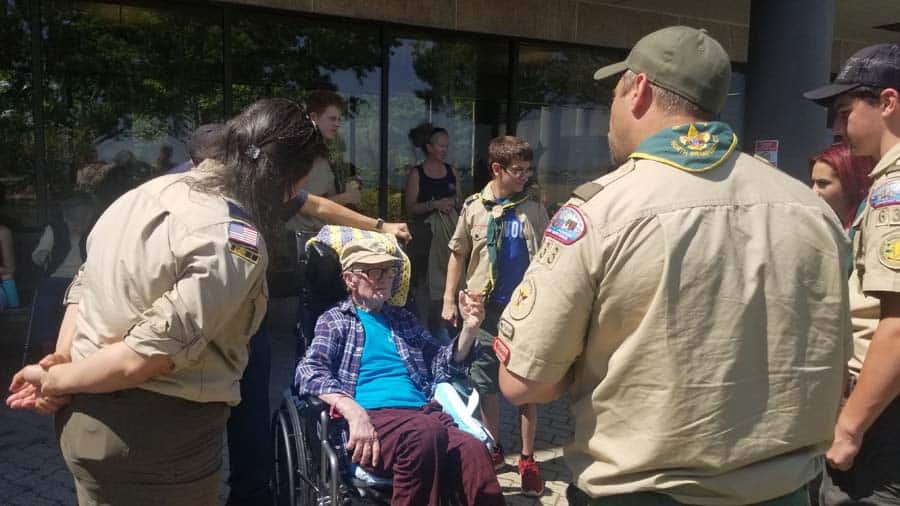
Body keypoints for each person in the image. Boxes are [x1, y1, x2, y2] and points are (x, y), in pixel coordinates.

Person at [495, 26, 850, 506]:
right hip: (786, 491)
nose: (610, 114)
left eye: (614, 94)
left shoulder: (601, 211)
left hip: (642, 493)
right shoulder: (811, 210)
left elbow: (523, 382)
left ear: (637, 89)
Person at [6, 97, 323, 506]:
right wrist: (52, 379)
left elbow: (85, 284)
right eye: (302, 180)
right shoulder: (232, 239)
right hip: (153, 439)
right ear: (284, 178)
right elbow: (144, 356)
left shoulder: (140, 195)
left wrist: (64, 360)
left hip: (87, 424)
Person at [295, 234, 505, 506]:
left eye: (390, 271)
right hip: (375, 418)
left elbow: (441, 363)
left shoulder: (403, 320)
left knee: (473, 451)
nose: (384, 278)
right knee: (425, 434)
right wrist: (351, 409)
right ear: (350, 279)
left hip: (424, 415)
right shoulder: (335, 321)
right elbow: (308, 371)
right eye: (373, 271)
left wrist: (470, 327)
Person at [803, 42, 900, 506]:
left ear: (888, 103)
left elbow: (897, 326)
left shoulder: (893, 192)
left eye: (845, 111)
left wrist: (849, 427)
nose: (838, 128)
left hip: (882, 411)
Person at [441, 135, 548, 496]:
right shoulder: (474, 207)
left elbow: (550, 256)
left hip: (525, 311)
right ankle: (494, 447)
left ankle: (528, 459)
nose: (525, 177)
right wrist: (448, 300)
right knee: (486, 383)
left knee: (523, 384)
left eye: (529, 170)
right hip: (482, 311)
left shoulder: (532, 206)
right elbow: (458, 252)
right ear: (497, 169)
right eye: (518, 170)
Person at [405, 123, 461, 337]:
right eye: (440, 145)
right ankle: (424, 326)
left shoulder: (451, 171)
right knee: (424, 282)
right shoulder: (417, 173)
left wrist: (451, 203)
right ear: (429, 147)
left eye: (447, 146)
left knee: (448, 278)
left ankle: (444, 324)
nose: (444, 150)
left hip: (449, 233)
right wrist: (434, 205)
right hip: (424, 235)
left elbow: (460, 201)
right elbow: (411, 208)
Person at [30, 198, 93, 353]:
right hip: (56, 277)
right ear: (65, 218)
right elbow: (37, 257)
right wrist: (43, 253)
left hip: (83, 278)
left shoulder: (94, 230)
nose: (78, 225)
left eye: (83, 220)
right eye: (74, 220)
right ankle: (48, 344)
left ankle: (82, 345)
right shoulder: (54, 229)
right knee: (46, 298)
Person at [810, 143, 874, 231]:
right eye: (813, 182)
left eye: (823, 183)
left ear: (851, 182)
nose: (814, 191)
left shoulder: (870, 227)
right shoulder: (826, 228)